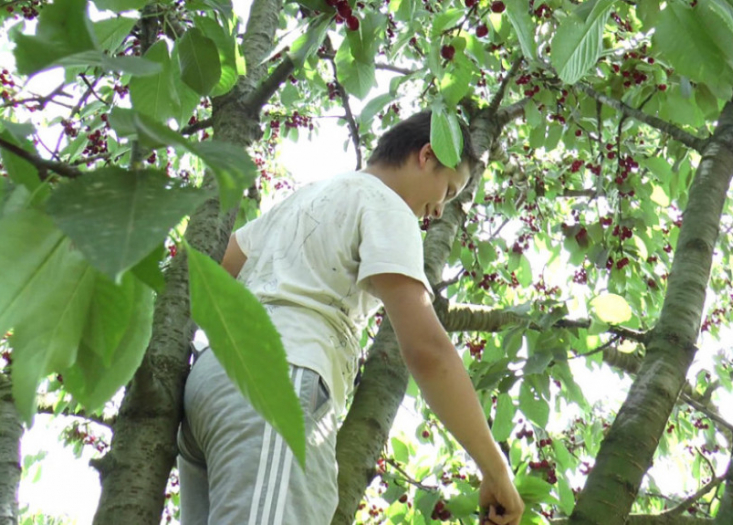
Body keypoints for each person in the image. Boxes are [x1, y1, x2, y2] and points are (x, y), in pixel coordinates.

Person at [177, 110, 525, 525]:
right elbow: (427, 351)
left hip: (206, 388)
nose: (437, 210)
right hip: (278, 379)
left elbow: (208, 277)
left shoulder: (304, 198)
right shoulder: (387, 205)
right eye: (448, 191)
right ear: (427, 155)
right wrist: (495, 467)